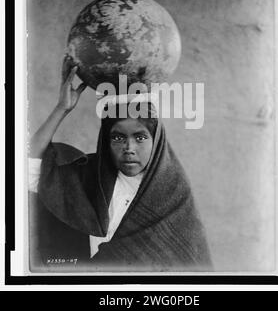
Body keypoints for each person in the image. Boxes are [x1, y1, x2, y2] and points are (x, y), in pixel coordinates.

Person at [29, 55, 213, 272]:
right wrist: (62, 109)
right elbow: (28, 169)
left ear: (157, 141)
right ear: (105, 142)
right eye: (117, 138)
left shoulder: (173, 195)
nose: (129, 148)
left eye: (140, 137)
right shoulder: (89, 178)